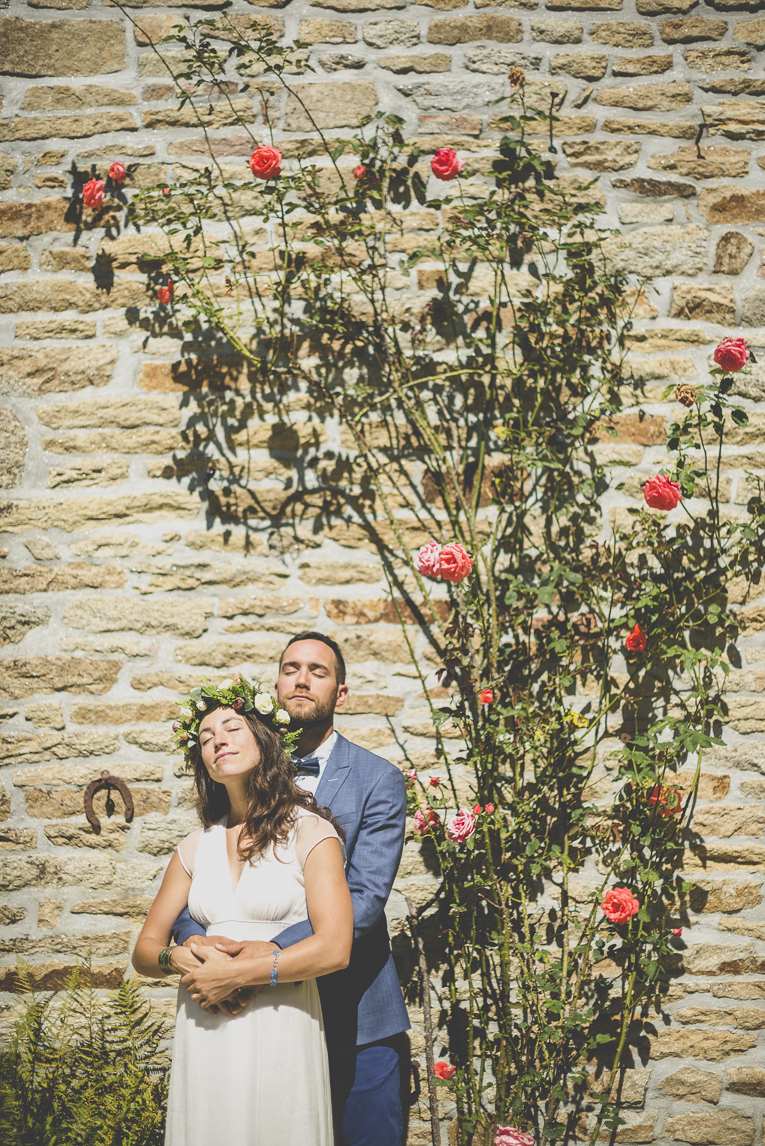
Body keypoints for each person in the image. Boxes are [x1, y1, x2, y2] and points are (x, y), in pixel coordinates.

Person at [171, 632, 411, 1146]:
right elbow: (205, 866)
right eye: (290, 668)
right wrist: (199, 944)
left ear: (340, 695)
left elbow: (366, 896)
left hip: (355, 1010)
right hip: (252, 1016)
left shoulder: (378, 780)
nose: (302, 679)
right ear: (275, 686)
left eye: (318, 672)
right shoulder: (233, 765)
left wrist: (265, 953)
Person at [132, 676, 353, 1146]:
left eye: (231, 728)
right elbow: (145, 951)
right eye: (206, 738)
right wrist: (181, 956)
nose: (218, 742)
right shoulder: (194, 848)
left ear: (266, 741)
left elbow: (335, 948)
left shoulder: (311, 833)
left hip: (281, 1019)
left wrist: (240, 975)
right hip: (204, 1023)